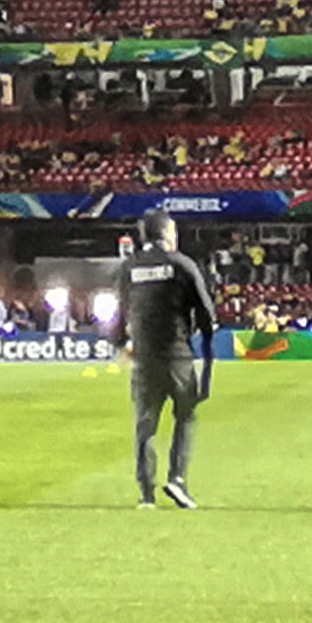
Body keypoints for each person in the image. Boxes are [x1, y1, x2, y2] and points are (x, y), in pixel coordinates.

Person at [120, 211, 218, 509]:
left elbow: (121, 311)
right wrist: (208, 363)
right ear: (166, 233)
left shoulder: (129, 268)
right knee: (185, 416)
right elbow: (206, 314)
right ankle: (177, 480)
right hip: (177, 355)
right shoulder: (181, 264)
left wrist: (122, 344)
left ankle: (146, 493)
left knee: (145, 424)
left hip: (144, 358)